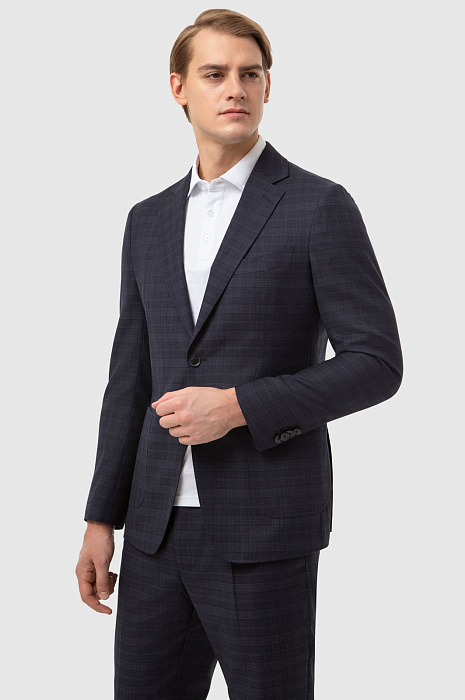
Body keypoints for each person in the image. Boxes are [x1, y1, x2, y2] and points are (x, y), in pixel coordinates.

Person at [75, 8, 403, 699]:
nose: (235, 89)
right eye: (215, 74)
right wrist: (101, 518)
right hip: (155, 531)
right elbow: (128, 378)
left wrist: (238, 407)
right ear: (178, 88)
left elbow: (376, 362)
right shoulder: (147, 220)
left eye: (250, 74)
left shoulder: (317, 206)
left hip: (266, 529)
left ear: (267, 87)